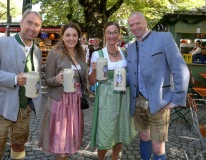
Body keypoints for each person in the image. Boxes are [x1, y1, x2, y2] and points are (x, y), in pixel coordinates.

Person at [0, 9, 43, 160]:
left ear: (40, 29)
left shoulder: (38, 52)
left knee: (19, 147)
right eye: (29, 22)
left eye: (37, 25)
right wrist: (14, 79)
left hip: (23, 110)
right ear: (20, 23)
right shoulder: (0, 43)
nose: (32, 28)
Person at [127, 12, 189, 160]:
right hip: (138, 104)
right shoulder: (130, 47)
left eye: (138, 23)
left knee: (158, 147)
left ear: (146, 22)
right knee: (143, 137)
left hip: (160, 103)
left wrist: (177, 98)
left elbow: (180, 69)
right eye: (131, 25)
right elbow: (131, 75)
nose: (135, 27)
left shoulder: (164, 38)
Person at [38, 22, 88, 160]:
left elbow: (84, 78)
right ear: (62, 36)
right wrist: (57, 79)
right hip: (60, 102)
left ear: (78, 37)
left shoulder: (81, 53)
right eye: (68, 35)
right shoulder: (54, 53)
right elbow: (47, 79)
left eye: (74, 35)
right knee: (61, 148)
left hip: (75, 102)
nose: (71, 38)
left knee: (68, 144)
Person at [89, 21, 137, 160]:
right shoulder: (98, 54)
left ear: (119, 34)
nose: (112, 35)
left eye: (114, 32)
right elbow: (91, 82)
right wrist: (94, 70)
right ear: (105, 35)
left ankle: (115, 158)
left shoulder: (124, 53)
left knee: (120, 130)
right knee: (105, 130)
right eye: (109, 32)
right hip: (106, 97)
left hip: (123, 96)